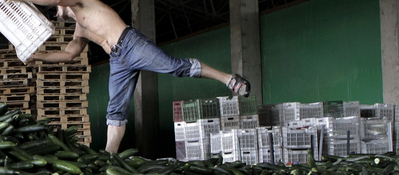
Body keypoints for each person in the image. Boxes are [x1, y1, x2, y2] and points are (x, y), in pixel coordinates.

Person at [13, 0, 251, 153]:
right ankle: (108, 160)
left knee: (174, 67)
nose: (55, 12)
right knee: (114, 112)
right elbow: (68, 55)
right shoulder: (80, 29)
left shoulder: (82, 2)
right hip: (117, 59)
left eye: (56, 7)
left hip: (130, 44)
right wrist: (36, 57)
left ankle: (229, 79)